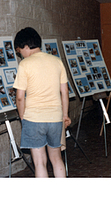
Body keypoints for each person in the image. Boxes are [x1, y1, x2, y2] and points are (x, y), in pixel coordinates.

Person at [13, 27, 71, 177]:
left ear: (26, 47)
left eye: (20, 51)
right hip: (55, 118)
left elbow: (20, 97)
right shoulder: (57, 61)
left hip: (34, 118)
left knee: (39, 162)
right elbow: (64, 92)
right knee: (57, 159)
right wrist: (65, 115)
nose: (21, 55)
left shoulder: (25, 65)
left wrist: (22, 117)